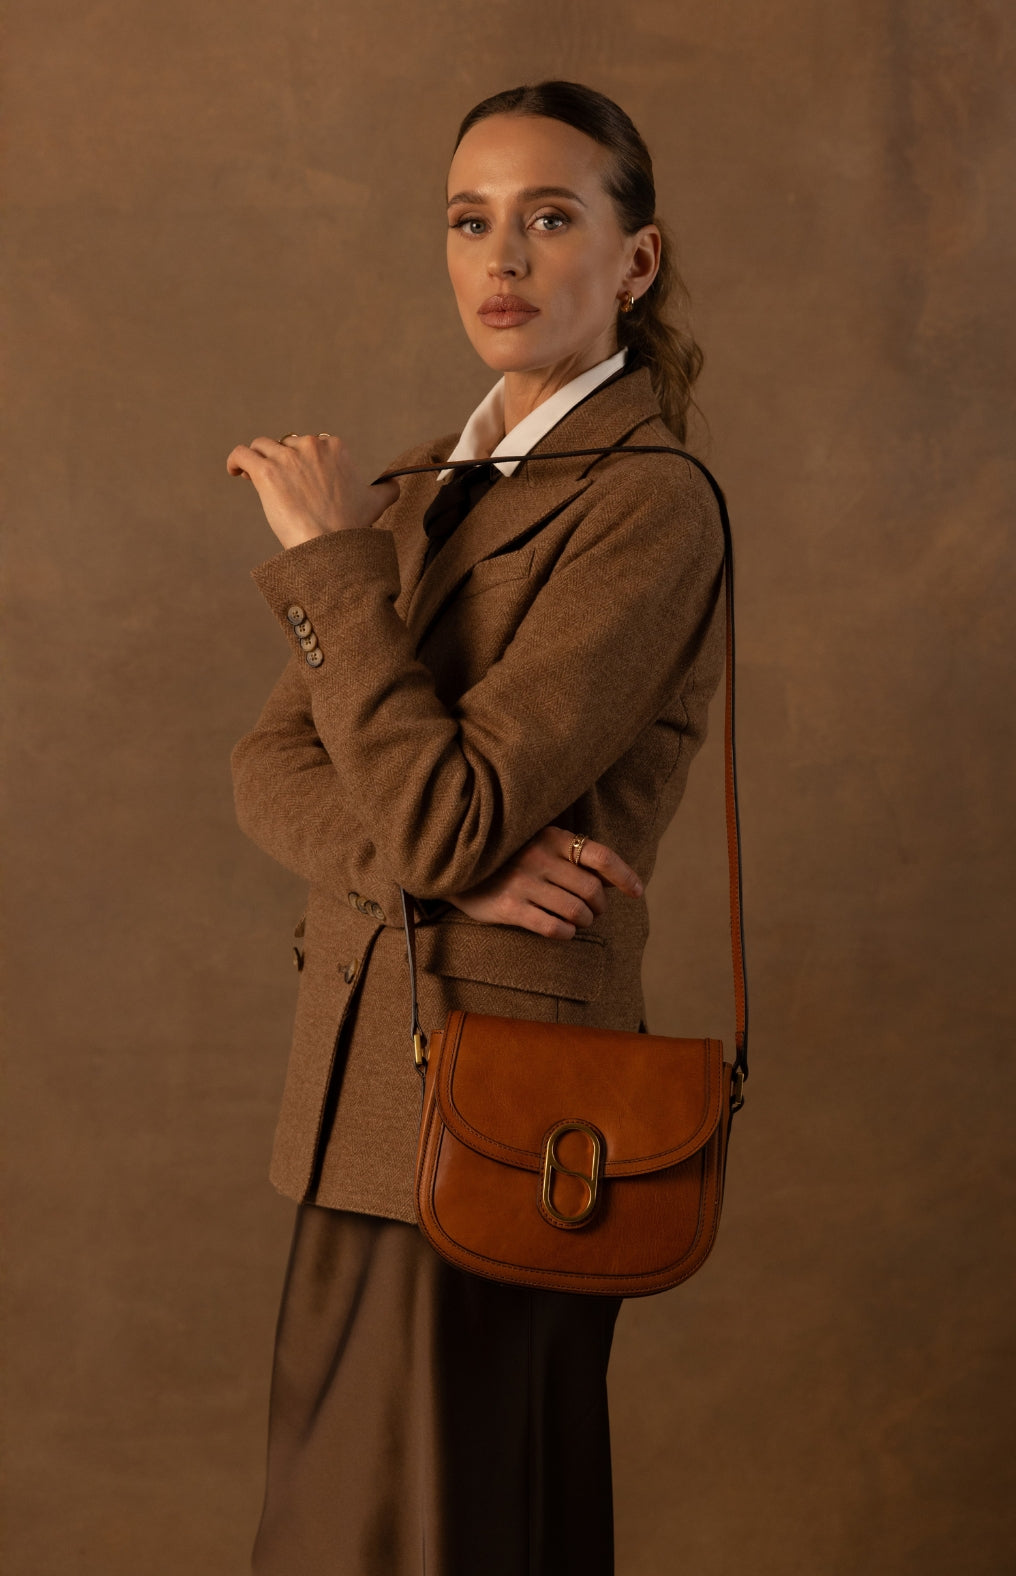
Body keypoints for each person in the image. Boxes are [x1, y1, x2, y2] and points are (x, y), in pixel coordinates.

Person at [226, 79, 726, 1576]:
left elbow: (443, 813)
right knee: (343, 1537)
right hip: (361, 1104)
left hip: (512, 1112)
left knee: (458, 1536)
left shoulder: (649, 504)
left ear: (635, 261)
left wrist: (329, 566)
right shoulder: (423, 488)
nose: (501, 258)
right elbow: (267, 767)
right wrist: (446, 869)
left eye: (549, 217)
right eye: (469, 220)